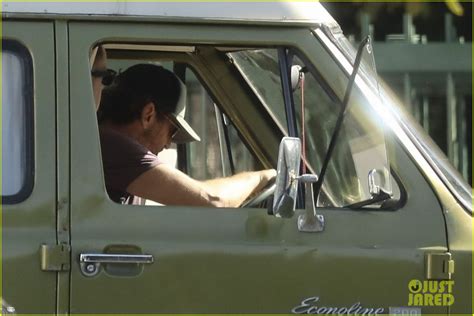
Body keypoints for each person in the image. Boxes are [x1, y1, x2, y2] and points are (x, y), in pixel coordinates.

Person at [97, 63, 276, 207]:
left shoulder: (108, 145)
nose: (168, 145)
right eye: (172, 131)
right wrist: (262, 178)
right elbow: (213, 200)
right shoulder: (113, 146)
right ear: (148, 115)